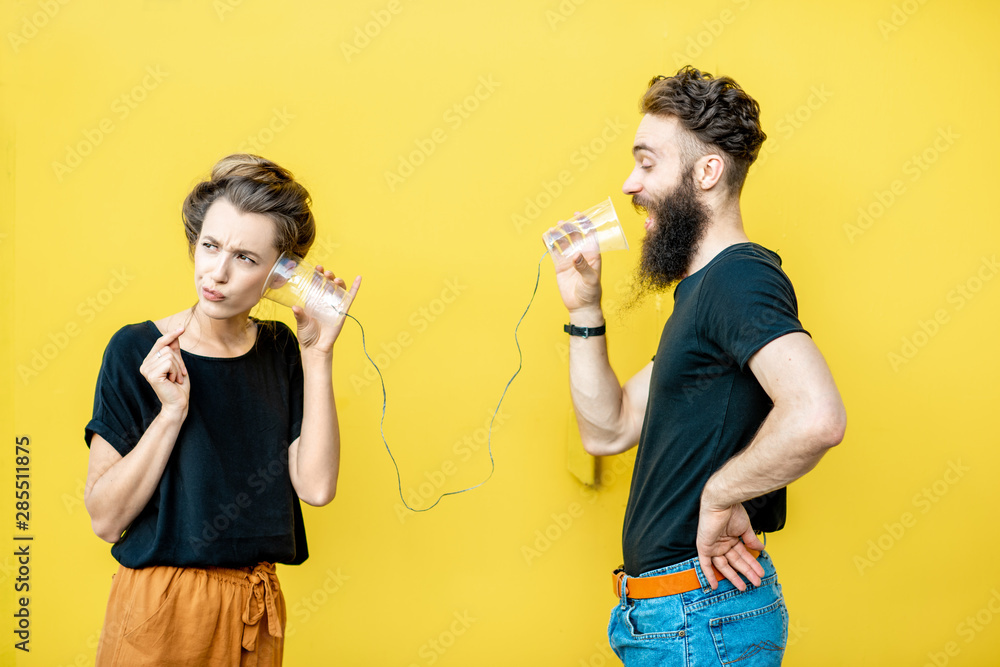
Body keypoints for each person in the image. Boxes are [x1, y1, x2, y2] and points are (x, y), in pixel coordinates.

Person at [550, 67, 846, 665]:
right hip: (679, 619)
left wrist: (720, 493)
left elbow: (818, 416)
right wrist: (585, 309)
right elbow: (607, 429)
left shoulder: (738, 277)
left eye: (648, 163)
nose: (630, 184)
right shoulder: (702, 297)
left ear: (706, 172)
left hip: (701, 617)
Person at [83, 154, 360, 666]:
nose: (217, 273)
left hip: (253, 613)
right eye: (210, 246)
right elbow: (104, 518)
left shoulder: (284, 350)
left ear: (281, 274)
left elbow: (317, 489)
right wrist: (170, 414)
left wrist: (317, 355)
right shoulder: (137, 350)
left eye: (247, 259)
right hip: (160, 611)